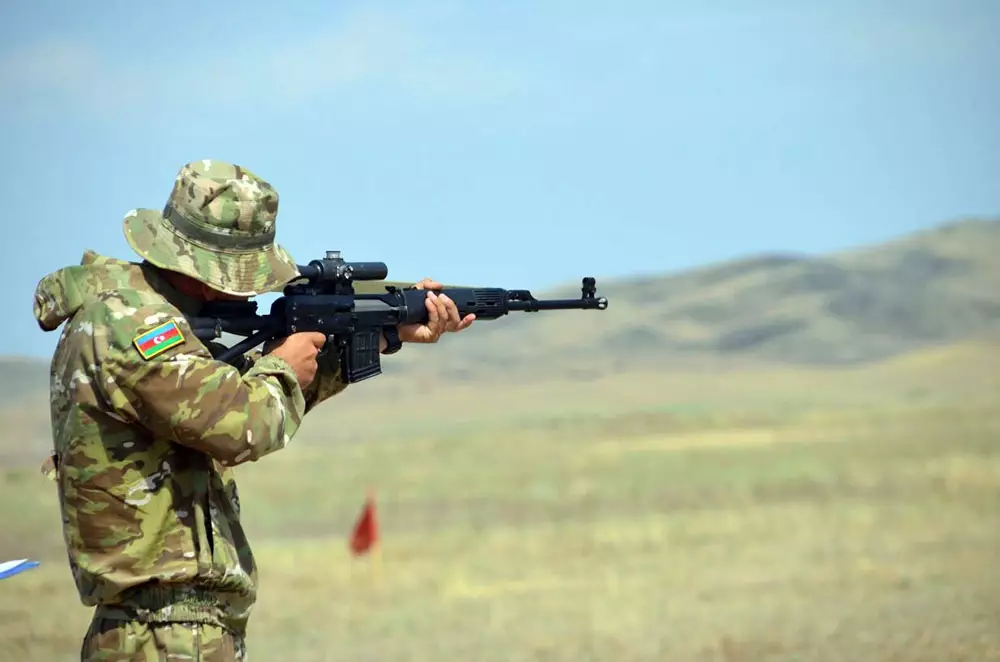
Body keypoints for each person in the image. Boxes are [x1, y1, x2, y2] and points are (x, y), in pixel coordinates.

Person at [32, 159, 475, 661]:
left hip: (180, 629)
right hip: (158, 632)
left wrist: (383, 332)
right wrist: (284, 363)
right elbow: (243, 423)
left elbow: (227, 394)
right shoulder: (130, 325)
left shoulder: (150, 319)